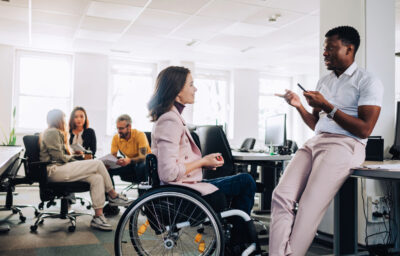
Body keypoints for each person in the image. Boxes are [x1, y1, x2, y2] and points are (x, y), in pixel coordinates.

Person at [270, 26, 383, 256]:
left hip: (346, 145)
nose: (325, 54)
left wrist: (328, 106)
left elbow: (365, 129)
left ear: (349, 49)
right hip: (316, 141)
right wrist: (299, 105)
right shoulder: (325, 81)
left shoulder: (367, 80)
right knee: (281, 196)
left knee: (309, 208)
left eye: (331, 48)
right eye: (324, 49)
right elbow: (317, 123)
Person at [148, 66, 256, 217]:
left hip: (185, 186)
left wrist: (204, 163)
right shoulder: (170, 120)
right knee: (246, 181)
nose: (195, 89)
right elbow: (168, 173)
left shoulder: (171, 117)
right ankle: (239, 236)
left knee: (243, 180)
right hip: (182, 191)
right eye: (191, 84)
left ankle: (235, 231)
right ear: (178, 91)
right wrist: (202, 162)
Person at [40, 109, 131, 231]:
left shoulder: (55, 132)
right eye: (64, 118)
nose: (65, 121)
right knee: (98, 164)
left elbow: (60, 155)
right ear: (58, 119)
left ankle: (98, 216)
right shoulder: (52, 132)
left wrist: (73, 156)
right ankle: (113, 195)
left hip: (60, 168)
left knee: (96, 178)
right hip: (54, 170)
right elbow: (58, 157)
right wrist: (74, 158)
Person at [109, 114, 151, 186]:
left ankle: (142, 194)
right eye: (118, 128)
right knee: (107, 169)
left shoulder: (140, 135)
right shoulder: (116, 138)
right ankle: (111, 195)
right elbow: (113, 157)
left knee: (140, 166)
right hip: (129, 163)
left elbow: (143, 157)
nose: (119, 131)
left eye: (121, 128)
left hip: (145, 163)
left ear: (129, 127)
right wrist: (110, 163)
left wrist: (129, 160)